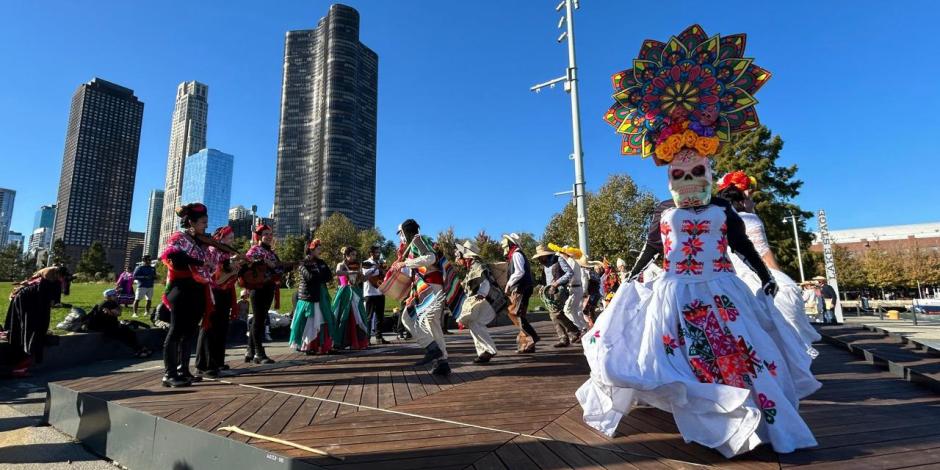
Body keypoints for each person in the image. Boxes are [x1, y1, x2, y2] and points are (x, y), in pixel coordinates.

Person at [578, 24, 816, 457]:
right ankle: (708, 417)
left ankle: (747, 421)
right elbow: (650, 250)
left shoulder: (723, 210)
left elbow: (742, 247)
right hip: (673, 294)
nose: (688, 181)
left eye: (696, 173)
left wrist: (764, 276)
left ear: (709, 173)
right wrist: (627, 281)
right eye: (678, 175)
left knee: (738, 354)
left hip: (722, 292)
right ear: (669, 179)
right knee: (678, 355)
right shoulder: (663, 214)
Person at [717, 171, 822, 357]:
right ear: (742, 199)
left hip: (731, 283)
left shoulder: (718, 220)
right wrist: (775, 277)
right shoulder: (750, 219)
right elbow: (764, 254)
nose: (754, 203)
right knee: (785, 330)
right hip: (755, 278)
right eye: (750, 197)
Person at [159, 203, 214, 387]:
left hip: (196, 291)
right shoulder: (179, 238)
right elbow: (173, 258)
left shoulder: (198, 243)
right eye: (203, 222)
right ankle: (169, 373)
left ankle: (184, 370)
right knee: (175, 331)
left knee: (190, 332)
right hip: (181, 290)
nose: (206, 226)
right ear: (191, 222)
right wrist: (200, 262)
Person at [390, 219, 450, 375]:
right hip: (423, 289)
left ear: (406, 231)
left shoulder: (418, 239)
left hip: (431, 287)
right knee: (414, 319)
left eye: (401, 233)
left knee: (428, 321)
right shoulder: (412, 245)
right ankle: (437, 354)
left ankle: (437, 354)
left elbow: (430, 258)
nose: (400, 237)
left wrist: (405, 264)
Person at [195, 226, 243, 378]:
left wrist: (237, 269)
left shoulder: (228, 253)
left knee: (221, 327)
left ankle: (217, 361)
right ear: (220, 238)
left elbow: (228, 275)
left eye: (232, 237)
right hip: (213, 292)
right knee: (210, 327)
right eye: (229, 237)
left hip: (225, 293)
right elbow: (213, 275)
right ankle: (204, 364)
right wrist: (231, 269)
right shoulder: (212, 251)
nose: (232, 240)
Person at [3, 267, 68, 377]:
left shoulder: (45, 282)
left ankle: (21, 364)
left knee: (29, 333)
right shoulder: (48, 283)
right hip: (29, 304)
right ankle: (20, 367)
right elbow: (51, 302)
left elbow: (49, 302)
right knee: (30, 334)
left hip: (28, 303)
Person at [243, 223, 282, 364]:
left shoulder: (272, 253)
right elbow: (246, 262)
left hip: (269, 288)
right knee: (259, 320)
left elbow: (279, 269)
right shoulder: (255, 249)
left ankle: (250, 350)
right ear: (259, 236)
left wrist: (289, 266)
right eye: (265, 234)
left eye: (270, 234)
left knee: (259, 319)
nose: (268, 237)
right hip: (257, 288)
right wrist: (263, 261)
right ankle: (258, 353)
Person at [455, 240, 499, 363]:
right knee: (474, 324)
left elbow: (485, 282)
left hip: (486, 299)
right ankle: (483, 352)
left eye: (460, 256)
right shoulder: (473, 267)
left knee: (476, 323)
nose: (458, 259)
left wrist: (481, 294)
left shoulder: (477, 266)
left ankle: (489, 350)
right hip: (483, 299)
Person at [289, 239, 336, 354]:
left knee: (324, 319)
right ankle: (308, 346)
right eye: (318, 247)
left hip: (322, 295)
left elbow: (329, 276)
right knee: (309, 321)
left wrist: (318, 275)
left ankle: (323, 345)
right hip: (308, 296)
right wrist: (320, 276)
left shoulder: (321, 262)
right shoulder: (303, 263)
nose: (320, 249)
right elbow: (309, 277)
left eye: (320, 247)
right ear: (311, 249)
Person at [534, 244, 581, 348]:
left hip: (560, 291)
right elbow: (545, 279)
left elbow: (569, 273)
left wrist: (557, 283)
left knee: (556, 314)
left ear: (546, 255)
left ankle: (574, 332)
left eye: (541, 256)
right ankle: (565, 337)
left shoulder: (558, 260)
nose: (540, 259)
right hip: (550, 292)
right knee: (553, 315)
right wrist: (543, 287)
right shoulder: (544, 265)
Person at [502, 233, 539, 353]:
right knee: (518, 314)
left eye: (504, 243)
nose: (503, 245)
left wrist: (508, 284)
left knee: (515, 313)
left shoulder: (516, 254)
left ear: (509, 244)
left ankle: (532, 337)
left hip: (520, 288)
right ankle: (527, 345)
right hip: (522, 287)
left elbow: (519, 272)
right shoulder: (516, 254)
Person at [87, 289, 152, 358]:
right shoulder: (110, 303)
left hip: (108, 326)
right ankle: (138, 351)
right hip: (107, 327)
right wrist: (117, 308)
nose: (117, 296)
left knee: (129, 332)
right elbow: (118, 313)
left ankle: (140, 349)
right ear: (109, 296)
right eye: (115, 295)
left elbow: (116, 313)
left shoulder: (106, 303)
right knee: (125, 335)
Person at [333, 247, 370, 350]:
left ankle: (357, 341)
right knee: (343, 315)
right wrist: (350, 273)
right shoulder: (341, 265)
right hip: (345, 293)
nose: (355, 257)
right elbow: (338, 272)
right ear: (346, 255)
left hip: (355, 291)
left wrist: (370, 273)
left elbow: (361, 279)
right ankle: (340, 341)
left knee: (358, 315)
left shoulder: (356, 266)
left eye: (355, 255)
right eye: (353, 255)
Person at [362, 245, 390, 344]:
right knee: (368, 317)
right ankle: (367, 339)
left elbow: (385, 274)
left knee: (379, 317)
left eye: (379, 252)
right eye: (377, 252)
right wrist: (375, 268)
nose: (378, 254)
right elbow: (365, 275)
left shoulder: (380, 263)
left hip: (380, 292)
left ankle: (379, 337)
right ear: (371, 253)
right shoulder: (366, 263)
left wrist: (385, 270)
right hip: (369, 293)